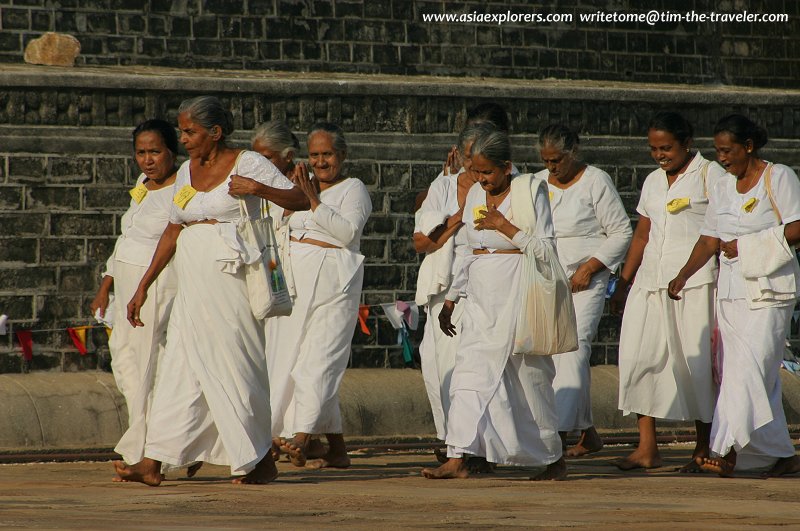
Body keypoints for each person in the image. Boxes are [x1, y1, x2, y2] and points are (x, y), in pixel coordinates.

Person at [113, 95, 309, 486]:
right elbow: (172, 229)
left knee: (236, 366)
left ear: (215, 132)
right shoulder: (186, 172)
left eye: (191, 131)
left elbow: (301, 199)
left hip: (230, 281)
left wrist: (257, 187)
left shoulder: (247, 162)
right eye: (182, 131)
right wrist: (142, 287)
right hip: (192, 283)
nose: (183, 139)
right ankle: (155, 460)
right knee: (179, 369)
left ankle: (259, 458)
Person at [422, 128, 565, 480]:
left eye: (488, 173)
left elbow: (546, 250)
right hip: (481, 297)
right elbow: (471, 251)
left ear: (507, 166)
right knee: (468, 375)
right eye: (477, 172)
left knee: (528, 380)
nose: (483, 180)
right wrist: (453, 298)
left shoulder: (531, 192)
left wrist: (504, 225)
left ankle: (552, 457)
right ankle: (460, 456)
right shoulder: (473, 194)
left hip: (520, 292)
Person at [668, 114, 800, 477]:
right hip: (731, 291)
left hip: (770, 291)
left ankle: (725, 449)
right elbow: (710, 237)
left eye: (727, 151)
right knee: (746, 373)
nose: (722, 158)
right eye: (717, 151)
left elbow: (797, 226)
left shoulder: (779, 177)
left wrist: (748, 246)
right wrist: (683, 274)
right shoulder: (723, 187)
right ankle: (779, 453)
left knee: (749, 369)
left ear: (748, 146)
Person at [610, 112, 724, 471]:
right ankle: (647, 447)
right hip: (649, 282)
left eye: (667, 148)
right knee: (638, 359)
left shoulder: (710, 175)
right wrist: (624, 283)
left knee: (695, 364)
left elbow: (720, 230)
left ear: (687, 143)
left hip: (695, 283)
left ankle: (703, 447)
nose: (660, 155)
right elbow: (643, 234)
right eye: (654, 149)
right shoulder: (654, 181)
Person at [268, 122, 372, 469]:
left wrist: (313, 201)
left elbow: (346, 232)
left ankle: (301, 436)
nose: (321, 161)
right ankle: (336, 450)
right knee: (293, 360)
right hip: (296, 284)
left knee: (320, 361)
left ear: (341, 155)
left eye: (327, 154)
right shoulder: (298, 187)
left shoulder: (353, 189)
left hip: (334, 284)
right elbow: (280, 229)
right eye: (314, 155)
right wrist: (293, 199)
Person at [534, 124, 632, 457]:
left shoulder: (596, 181)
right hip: (547, 279)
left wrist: (591, 267)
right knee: (550, 353)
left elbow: (621, 232)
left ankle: (557, 436)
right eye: (546, 161)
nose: (552, 167)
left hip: (586, 279)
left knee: (574, 350)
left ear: (573, 152)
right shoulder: (535, 182)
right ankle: (588, 432)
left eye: (557, 160)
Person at [90, 119, 179, 479]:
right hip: (125, 282)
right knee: (126, 363)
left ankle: (148, 452)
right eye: (141, 152)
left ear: (171, 151)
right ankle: (145, 447)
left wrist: (143, 285)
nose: (147, 160)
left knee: (147, 366)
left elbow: (169, 240)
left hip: (153, 283)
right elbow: (127, 234)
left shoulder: (182, 187)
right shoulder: (143, 184)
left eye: (155, 152)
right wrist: (105, 284)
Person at [413, 122, 497, 465]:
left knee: (472, 367)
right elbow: (422, 241)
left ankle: (474, 447)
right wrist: (458, 219)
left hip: (486, 283)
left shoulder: (504, 184)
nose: (474, 165)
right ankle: (454, 440)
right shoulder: (443, 186)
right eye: (469, 156)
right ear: (460, 155)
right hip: (444, 285)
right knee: (438, 366)